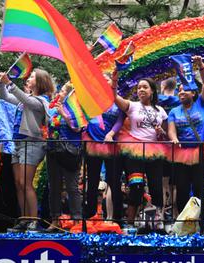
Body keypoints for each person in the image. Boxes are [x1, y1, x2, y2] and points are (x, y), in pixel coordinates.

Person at [0, 68, 54, 232]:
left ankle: (34, 220)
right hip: (18, 144)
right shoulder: (24, 99)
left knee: (26, 183)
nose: (29, 78)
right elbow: (6, 97)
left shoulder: (41, 101)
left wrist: (10, 83)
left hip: (32, 144)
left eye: (33, 76)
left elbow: (27, 101)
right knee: (19, 184)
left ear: (41, 81)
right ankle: (24, 219)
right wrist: (0, 83)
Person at [112, 74, 168, 230]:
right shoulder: (132, 106)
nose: (141, 90)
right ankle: (130, 224)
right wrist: (115, 81)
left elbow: (166, 135)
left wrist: (160, 132)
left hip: (154, 151)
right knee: (136, 186)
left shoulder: (161, 111)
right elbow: (114, 97)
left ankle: (158, 222)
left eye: (145, 87)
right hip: (135, 150)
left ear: (152, 91)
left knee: (156, 187)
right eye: (139, 88)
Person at [168, 56, 204, 215]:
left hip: (200, 152)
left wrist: (201, 65)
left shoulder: (201, 104)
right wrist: (174, 138)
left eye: (185, 89)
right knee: (182, 190)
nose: (181, 91)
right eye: (179, 90)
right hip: (182, 153)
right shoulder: (174, 111)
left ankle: (200, 223)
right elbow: (171, 129)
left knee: (200, 189)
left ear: (194, 93)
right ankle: (183, 223)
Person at [83, 74, 125, 225]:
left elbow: (120, 120)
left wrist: (111, 133)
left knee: (113, 181)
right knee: (92, 181)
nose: (104, 82)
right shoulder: (92, 99)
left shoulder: (118, 100)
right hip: (93, 143)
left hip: (111, 144)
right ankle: (90, 215)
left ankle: (116, 217)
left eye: (107, 80)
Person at [46, 81, 83, 233]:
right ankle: (55, 220)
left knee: (72, 188)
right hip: (53, 151)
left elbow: (78, 128)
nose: (59, 93)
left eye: (63, 91)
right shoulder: (53, 108)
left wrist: (65, 115)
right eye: (60, 90)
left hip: (70, 152)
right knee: (53, 187)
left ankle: (77, 221)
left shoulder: (76, 109)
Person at [158, 77, 181, 216]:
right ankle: (175, 214)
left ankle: (161, 214)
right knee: (175, 183)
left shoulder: (157, 101)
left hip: (160, 146)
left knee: (162, 182)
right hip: (177, 146)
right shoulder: (179, 102)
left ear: (163, 85)